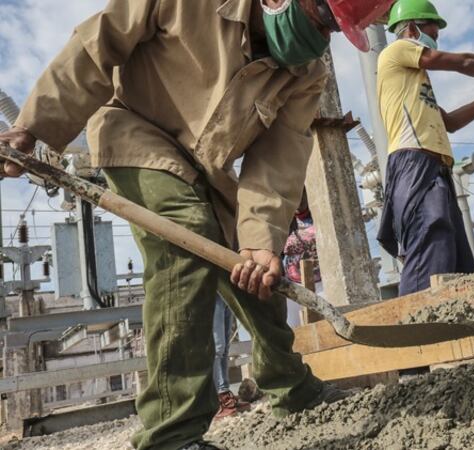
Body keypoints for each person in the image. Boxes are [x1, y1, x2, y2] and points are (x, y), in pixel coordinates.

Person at [0, 1, 395, 449]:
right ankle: (172, 434)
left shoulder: (306, 73)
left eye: (335, 30)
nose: (322, 36)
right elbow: (96, 46)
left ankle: (293, 388)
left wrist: (261, 243)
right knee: (186, 241)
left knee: (255, 275)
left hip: (207, 167)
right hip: (135, 130)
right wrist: (32, 125)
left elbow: (277, 160)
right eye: (322, 18)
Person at [377, 0, 474, 295]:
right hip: (414, 163)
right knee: (429, 248)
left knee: (454, 259)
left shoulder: (415, 84)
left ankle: (457, 326)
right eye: (431, 33)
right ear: (410, 29)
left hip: (434, 167)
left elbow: (450, 122)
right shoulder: (396, 51)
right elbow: (461, 62)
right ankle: (422, 327)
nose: (434, 41)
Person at [282, 189, 321, 328]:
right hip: (292, 284)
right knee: (296, 330)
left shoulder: (319, 215)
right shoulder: (284, 220)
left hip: (320, 283)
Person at [211, 295, 251, 419]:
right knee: (217, 347)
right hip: (210, 291)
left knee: (225, 348)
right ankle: (216, 400)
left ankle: (224, 392)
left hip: (224, 292)